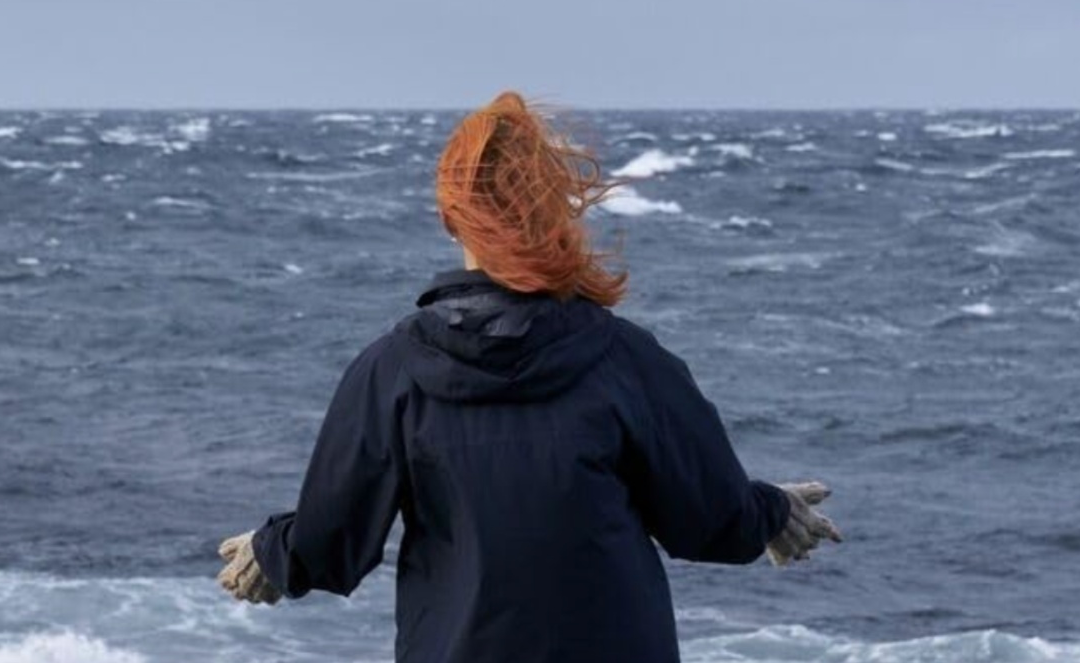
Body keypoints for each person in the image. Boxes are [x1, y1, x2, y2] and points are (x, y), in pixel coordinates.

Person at [216, 90, 840, 663]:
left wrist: (273, 554)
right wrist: (771, 511)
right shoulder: (625, 360)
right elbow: (710, 518)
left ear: (451, 219)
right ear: (555, 215)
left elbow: (334, 542)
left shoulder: (394, 371)